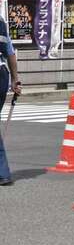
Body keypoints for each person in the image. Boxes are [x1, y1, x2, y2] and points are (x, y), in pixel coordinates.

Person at [0, 15, 23, 186]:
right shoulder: (0, 21)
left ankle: (3, 172)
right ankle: (3, 172)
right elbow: (10, 52)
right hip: (2, 74)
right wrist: (15, 79)